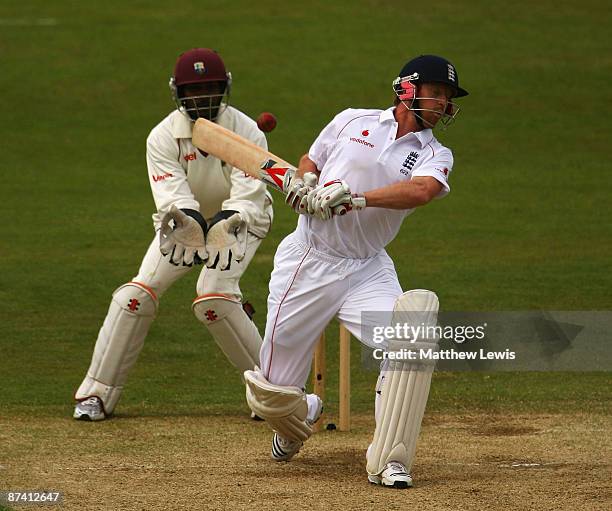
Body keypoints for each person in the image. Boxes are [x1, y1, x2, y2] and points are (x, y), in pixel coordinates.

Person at [243, 55, 468, 488]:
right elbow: (312, 157)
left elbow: (422, 190)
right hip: (308, 261)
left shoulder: (436, 154)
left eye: (447, 98)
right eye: (436, 92)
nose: (441, 103)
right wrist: (305, 182)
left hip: (367, 268)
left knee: (411, 340)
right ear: (408, 89)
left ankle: (391, 458)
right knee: (269, 395)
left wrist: (358, 199)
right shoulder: (353, 120)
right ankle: (298, 417)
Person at [74, 48, 273, 421]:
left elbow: (248, 196)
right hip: (183, 226)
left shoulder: (247, 131)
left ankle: (274, 394)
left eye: (211, 90)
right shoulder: (162, 137)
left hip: (241, 223)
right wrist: (189, 227)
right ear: (178, 93)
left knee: (214, 298)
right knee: (136, 294)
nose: (203, 99)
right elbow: (174, 198)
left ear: (225, 88)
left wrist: (226, 225)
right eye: (194, 92)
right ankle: (96, 394)